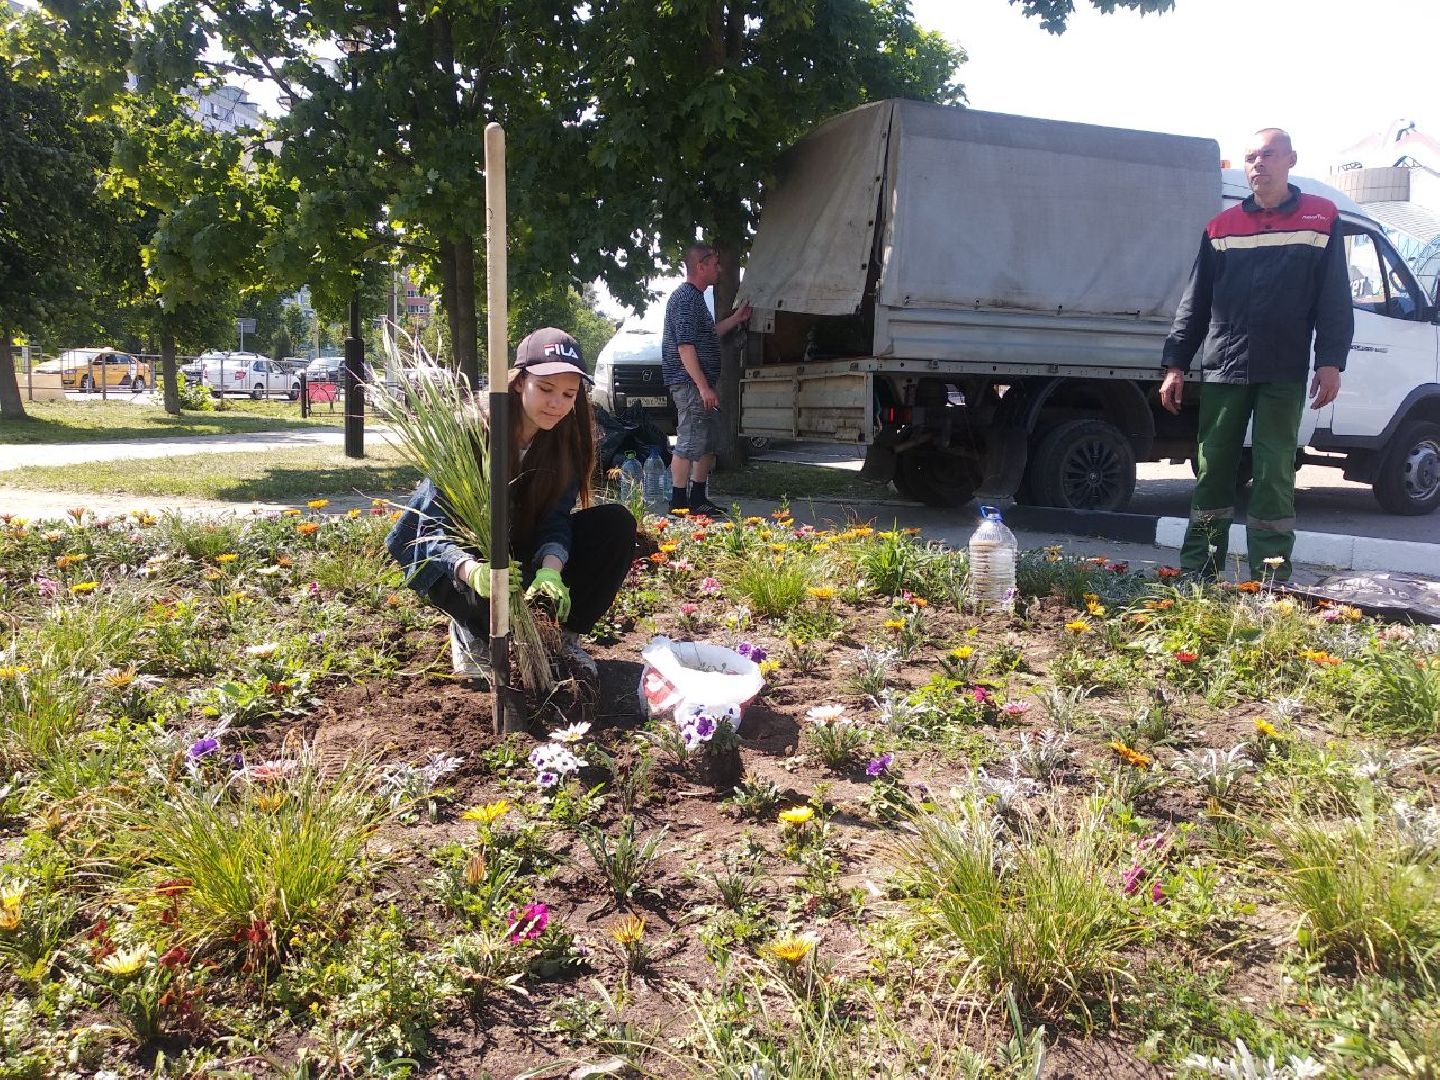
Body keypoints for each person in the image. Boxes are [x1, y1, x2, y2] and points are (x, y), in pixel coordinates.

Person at [386, 328, 637, 682]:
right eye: (546, 389)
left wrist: (551, 569)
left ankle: (561, 636)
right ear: (519, 382)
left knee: (616, 524)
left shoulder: (565, 441)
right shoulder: (473, 432)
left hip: (519, 551)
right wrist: (470, 570)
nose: (556, 404)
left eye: (568, 394)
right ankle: (471, 628)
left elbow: (554, 521)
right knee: (483, 584)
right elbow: (429, 529)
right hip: (457, 560)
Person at [1160, 127, 1353, 582]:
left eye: (1267, 155)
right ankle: (1200, 570)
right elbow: (1196, 301)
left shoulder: (1320, 218)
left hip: (1283, 369)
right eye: (1250, 157)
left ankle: (1270, 577)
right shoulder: (1221, 227)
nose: (1257, 164)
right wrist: (1175, 364)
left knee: (1273, 473)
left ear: (1291, 160)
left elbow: (1334, 297)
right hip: (1225, 365)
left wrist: (1330, 360)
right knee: (1212, 469)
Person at [661, 242, 752, 516]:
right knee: (689, 440)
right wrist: (702, 387)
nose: (719, 269)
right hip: (690, 385)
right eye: (714, 264)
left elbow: (708, 334)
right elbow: (685, 347)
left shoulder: (697, 299)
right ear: (700, 266)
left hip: (700, 385)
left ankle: (698, 499)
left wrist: (736, 319)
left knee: (707, 440)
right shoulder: (685, 299)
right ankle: (678, 504)